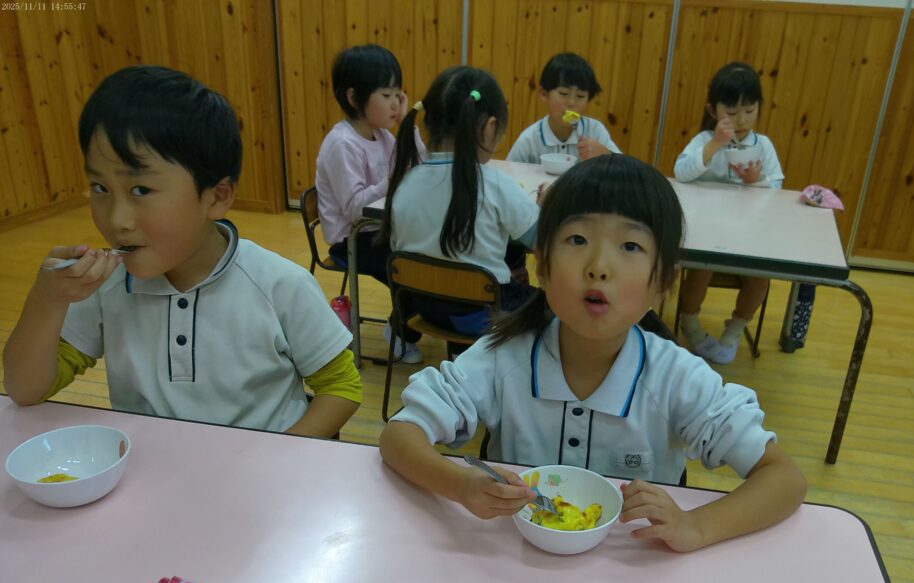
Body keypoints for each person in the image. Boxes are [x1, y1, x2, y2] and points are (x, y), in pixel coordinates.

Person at [379, 155, 805, 553]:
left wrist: (696, 526)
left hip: (635, 570)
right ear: (541, 265)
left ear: (664, 281)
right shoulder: (503, 358)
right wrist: (461, 485)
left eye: (630, 246)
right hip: (513, 563)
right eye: (578, 239)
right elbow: (399, 437)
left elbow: (784, 478)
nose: (599, 266)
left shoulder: (676, 377)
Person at [3, 66, 361, 438]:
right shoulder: (105, 288)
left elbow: (342, 387)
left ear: (216, 197)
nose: (116, 220)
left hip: (262, 466)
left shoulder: (280, 285)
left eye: (140, 190)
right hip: (150, 466)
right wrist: (47, 300)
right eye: (99, 187)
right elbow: (26, 390)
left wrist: (277, 456)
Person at [379, 66, 538, 340]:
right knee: (550, 305)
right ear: (490, 127)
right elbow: (542, 240)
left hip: (423, 308)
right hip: (484, 317)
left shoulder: (405, 183)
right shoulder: (495, 184)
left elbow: (399, 245)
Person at [315, 44, 425, 364]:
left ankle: (403, 326)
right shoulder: (342, 144)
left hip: (379, 229)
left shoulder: (383, 136)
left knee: (429, 252)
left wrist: (407, 124)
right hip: (351, 240)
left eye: (398, 95)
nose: (395, 103)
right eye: (387, 95)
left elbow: (419, 165)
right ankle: (400, 332)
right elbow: (354, 209)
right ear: (354, 98)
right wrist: (394, 178)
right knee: (412, 266)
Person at [673, 62, 784, 365]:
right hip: (708, 232)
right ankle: (689, 322)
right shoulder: (703, 142)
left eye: (749, 110)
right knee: (701, 269)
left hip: (748, 236)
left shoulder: (763, 146)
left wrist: (755, 182)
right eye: (732, 112)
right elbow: (681, 173)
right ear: (713, 110)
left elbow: (777, 190)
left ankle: (735, 329)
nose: (742, 120)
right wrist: (714, 145)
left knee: (760, 278)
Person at [507, 52, 620, 164]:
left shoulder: (595, 131)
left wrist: (606, 155)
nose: (571, 103)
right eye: (563, 93)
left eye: (580, 96)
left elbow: (626, 170)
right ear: (544, 94)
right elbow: (508, 172)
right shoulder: (530, 140)